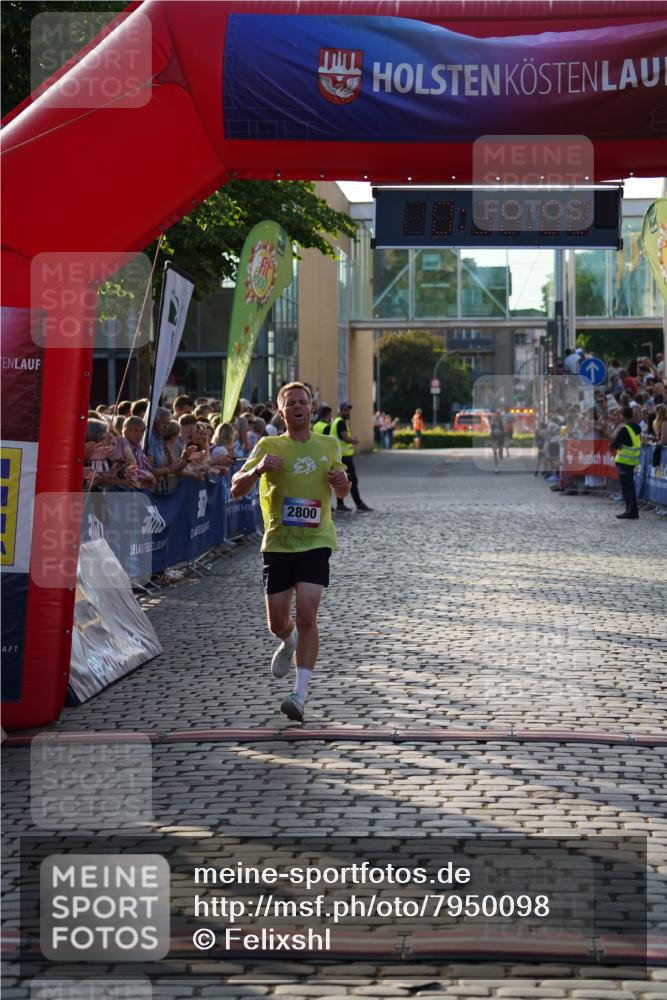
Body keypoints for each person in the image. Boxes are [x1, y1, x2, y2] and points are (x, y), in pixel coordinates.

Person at [230, 382, 350, 723]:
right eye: (291, 403)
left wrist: (342, 484)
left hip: (316, 541)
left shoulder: (328, 444)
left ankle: (299, 694)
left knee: (308, 616)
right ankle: (288, 640)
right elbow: (236, 489)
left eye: (303, 402)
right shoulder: (268, 445)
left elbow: (342, 491)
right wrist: (258, 470)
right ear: (280, 411)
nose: (298, 407)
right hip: (279, 543)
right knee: (277, 622)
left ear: (311, 408)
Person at [331, 402, 372, 512]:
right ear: (340, 411)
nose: (348, 413)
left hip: (339, 456)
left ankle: (340, 504)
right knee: (352, 480)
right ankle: (359, 503)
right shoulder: (340, 422)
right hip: (344, 457)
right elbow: (345, 438)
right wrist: (353, 440)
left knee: (342, 480)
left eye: (349, 411)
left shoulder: (336, 421)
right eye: (346, 410)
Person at [609, 405, 642, 520]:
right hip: (632, 461)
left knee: (627, 488)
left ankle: (631, 511)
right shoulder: (637, 427)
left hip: (625, 462)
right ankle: (631, 510)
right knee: (630, 487)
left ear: (623, 416)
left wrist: (618, 444)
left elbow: (614, 444)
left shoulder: (625, 429)